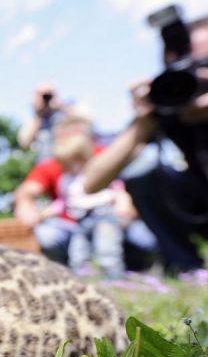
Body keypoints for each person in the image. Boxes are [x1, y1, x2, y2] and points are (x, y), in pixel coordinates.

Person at [81, 16, 208, 274]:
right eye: (186, 67)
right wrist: (143, 122)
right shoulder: (168, 110)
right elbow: (91, 182)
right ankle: (189, 269)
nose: (198, 75)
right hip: (199, 205)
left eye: (204, 64)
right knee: (142, 169)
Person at [14, 115, 157, 275]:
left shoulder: (105, 157)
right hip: (75, 224)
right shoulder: (58, 167)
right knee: (78, 250)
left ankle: (118, 274)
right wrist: (35, 212)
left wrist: (123, 200)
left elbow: (119, 187)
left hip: (108, 217)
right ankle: (78, 274)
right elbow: (55, 200)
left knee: (112, 246)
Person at [17, 83, 73, 161]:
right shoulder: (34, 120)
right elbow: (24, 143)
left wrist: (60, 106)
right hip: (46, 165)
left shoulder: (65, 114)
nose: (46, 99)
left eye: (49, 95)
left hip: (67, 164)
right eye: (43, 96)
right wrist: (39, 114)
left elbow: (87, 121)